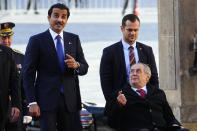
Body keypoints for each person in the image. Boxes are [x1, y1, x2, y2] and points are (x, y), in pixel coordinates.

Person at [23, 3, 88, 131]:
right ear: (49, 17)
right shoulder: (36, 40)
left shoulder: (74, 39)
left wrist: (76, 65)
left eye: (64, 17)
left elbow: (84, 67)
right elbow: (28, 74)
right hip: (46, 102)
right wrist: (32, 102)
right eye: (56, 16)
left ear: (67, 20)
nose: (60, 20)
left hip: (70, 102)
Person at [100, 14, 158, 115]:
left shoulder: (147, 50)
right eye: (129, 30)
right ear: (122, 28)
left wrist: (153, 99)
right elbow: (106, 83)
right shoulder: (109, 52)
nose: (133, 33)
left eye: (136, 30)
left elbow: (154, 78)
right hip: (121, 104)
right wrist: (116, 101)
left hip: (144, 103)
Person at [107, 63, 188, 131]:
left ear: (147, 77)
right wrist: (119, 105)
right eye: (132, 71)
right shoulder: (119, 94)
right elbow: (112, 122)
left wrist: (176, 125)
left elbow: (169, 116)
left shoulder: (158, 93)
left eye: (138, 71)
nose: (134, 73)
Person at [0, 22, 28, 131]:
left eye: (8, 37)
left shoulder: (21, 57)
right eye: (3, 37)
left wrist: (26, 111)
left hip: (16, 108)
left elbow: (24, 86)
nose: (6, 41)